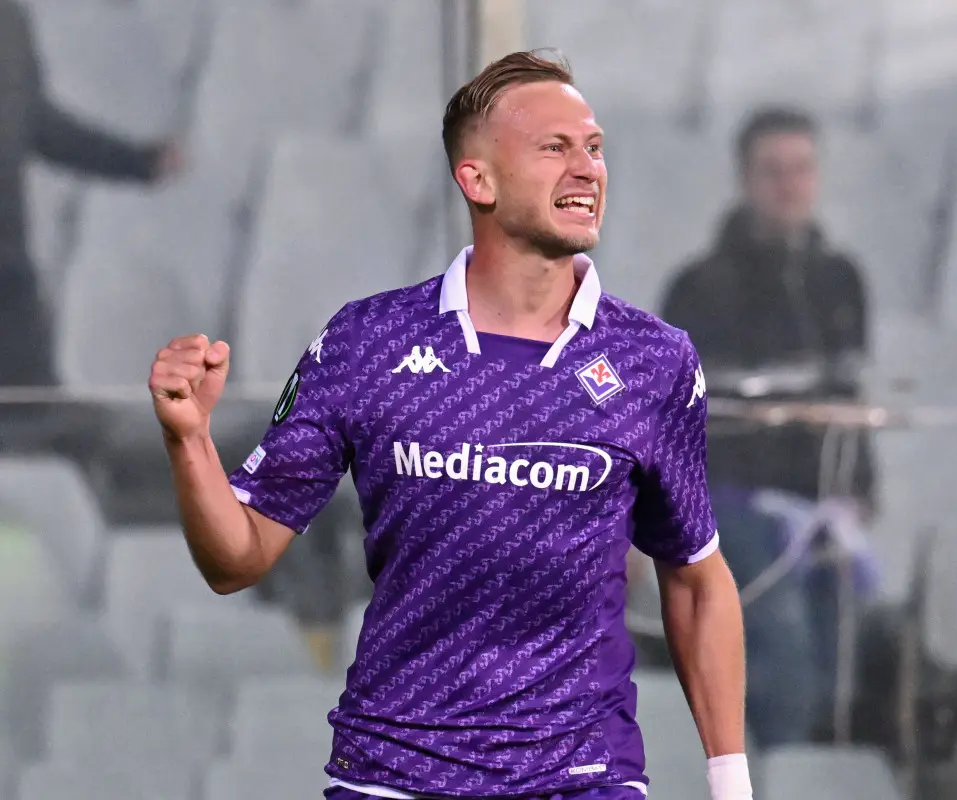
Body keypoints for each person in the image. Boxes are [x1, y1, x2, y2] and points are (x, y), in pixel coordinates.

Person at [148, 51, 750, 800]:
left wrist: (732, 787)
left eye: (594, 148)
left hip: (583, 779)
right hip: (395, 775)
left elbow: (695, 579)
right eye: (554, 148)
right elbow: (235, 559)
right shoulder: (368, 342)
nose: (587, 169)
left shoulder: (654, 361)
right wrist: (188, 440)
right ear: (478, 180)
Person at [660, 108, 877, 747]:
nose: (790, 185)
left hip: (823, 505)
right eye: (773, 171)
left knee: (842, 660)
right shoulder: (700, 288)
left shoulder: (841, 281)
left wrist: (861, 486)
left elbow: (850, 393)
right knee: (786, 658)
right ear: (745, 180)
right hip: (737, 506)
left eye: (802, 169)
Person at [0, 0, 182, 388]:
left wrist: (139, 162)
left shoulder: (9, 24)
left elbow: (40, 124)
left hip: (9, 270)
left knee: (35, 404)